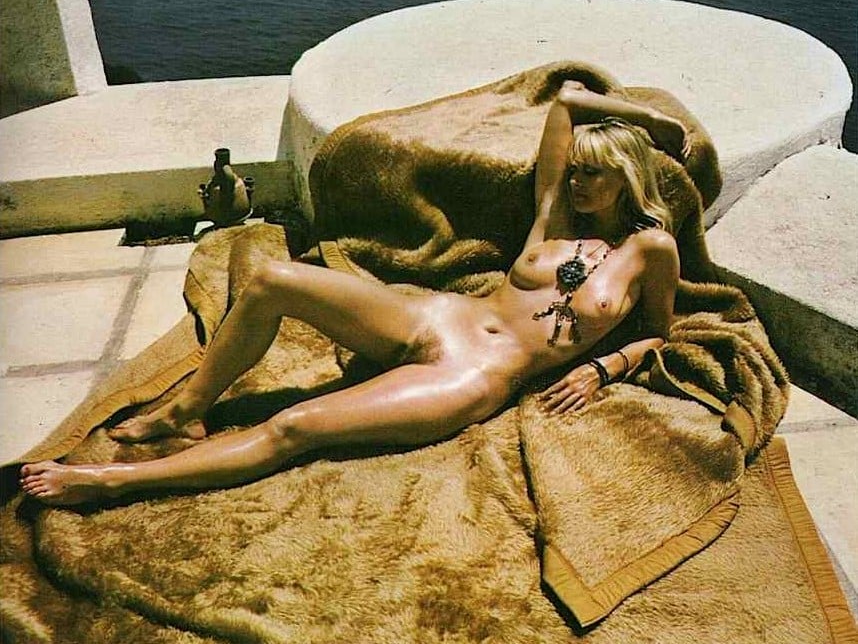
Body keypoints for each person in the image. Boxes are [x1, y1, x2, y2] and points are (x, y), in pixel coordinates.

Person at [20, 82, 684, 506]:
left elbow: (660, 330)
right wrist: (649, 118)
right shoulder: (554, 217)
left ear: (626, 178)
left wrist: (603, 368)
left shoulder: (649, 250)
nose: (577, 185)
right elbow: (566, 100)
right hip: (438, 316)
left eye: (593, 176)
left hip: (474, 373)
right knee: (272, 279)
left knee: (297, 426)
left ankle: (110, 482)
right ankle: (186, 410)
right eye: (575, 172)